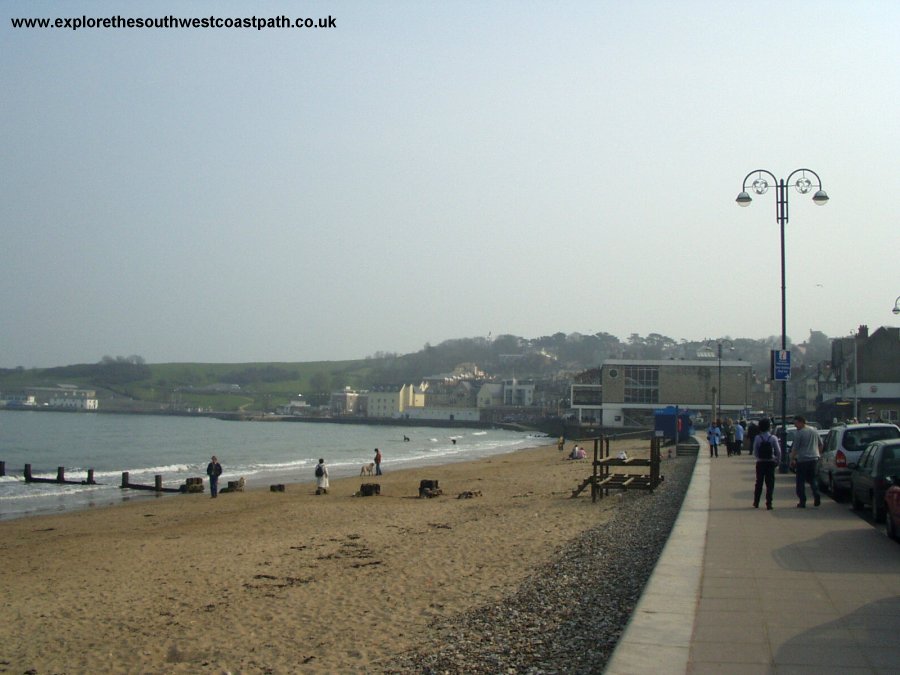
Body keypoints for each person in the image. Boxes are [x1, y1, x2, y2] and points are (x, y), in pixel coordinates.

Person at [790, 415, 822, 508]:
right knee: (813, 479)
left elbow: (795, 448)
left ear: (801, 422)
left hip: (803, 459)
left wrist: (792, 459)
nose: (795, 426)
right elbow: (821, 444)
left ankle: (802, 501)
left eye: (796, 423)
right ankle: (816, 494)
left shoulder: (799, 433)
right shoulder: (814, 431)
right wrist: (818, 454)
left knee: (800, 481)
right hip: (814, 459)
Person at [752, 418, 781, 510]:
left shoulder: (757, 438)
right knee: (770, 484)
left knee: (759, 483)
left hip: (760, 463)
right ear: (769, 427)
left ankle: (756, 502)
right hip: (770, 463)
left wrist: (759, 458)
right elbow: (778, 451)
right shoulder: (773, 438)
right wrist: (777, 460)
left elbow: (755, 451)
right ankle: (769, 503)